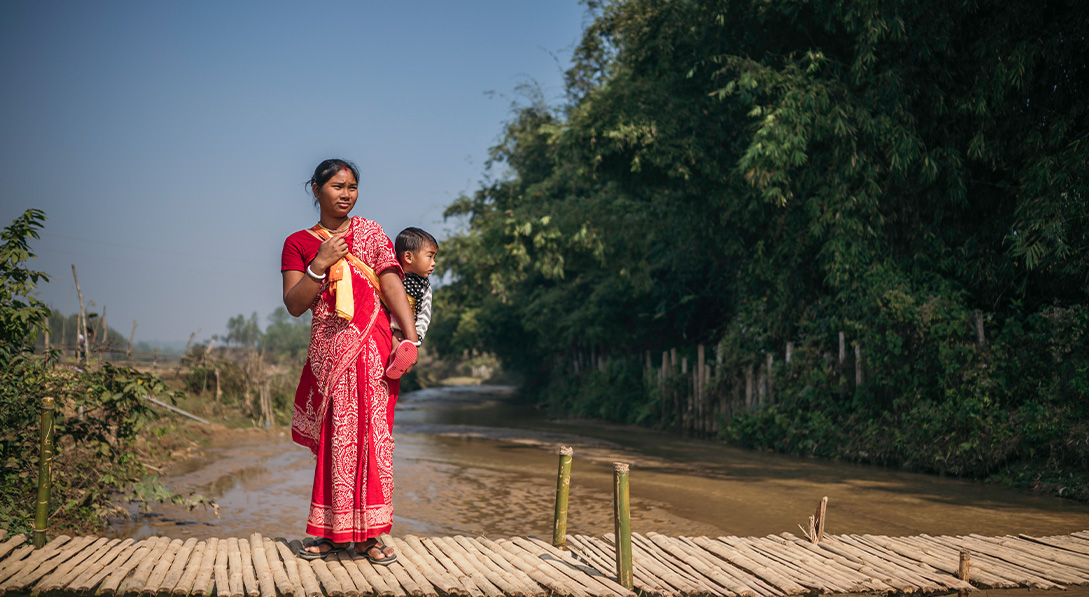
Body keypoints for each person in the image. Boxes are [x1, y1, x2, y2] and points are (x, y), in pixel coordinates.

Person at [280, 158, 419, 564]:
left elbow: (391, 283)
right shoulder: (298, 243)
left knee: (374, 441)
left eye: (352, 187)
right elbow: (294, 304)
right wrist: (319, 263)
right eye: (338, 186)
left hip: (374, 349)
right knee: (337, 442)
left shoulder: (371, 233)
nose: (346, 194)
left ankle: (372, 536)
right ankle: (329, 534)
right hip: (330, 353)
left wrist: (409, 337)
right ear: (316, 190)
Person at [390, 227, 438, 345]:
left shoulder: (423, 286)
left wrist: (415, 340)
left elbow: (424, 315)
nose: (433, 263)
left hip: (403, 333)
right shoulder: (390, 275)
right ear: (408, 257)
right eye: (430, 256)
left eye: (434, 258)